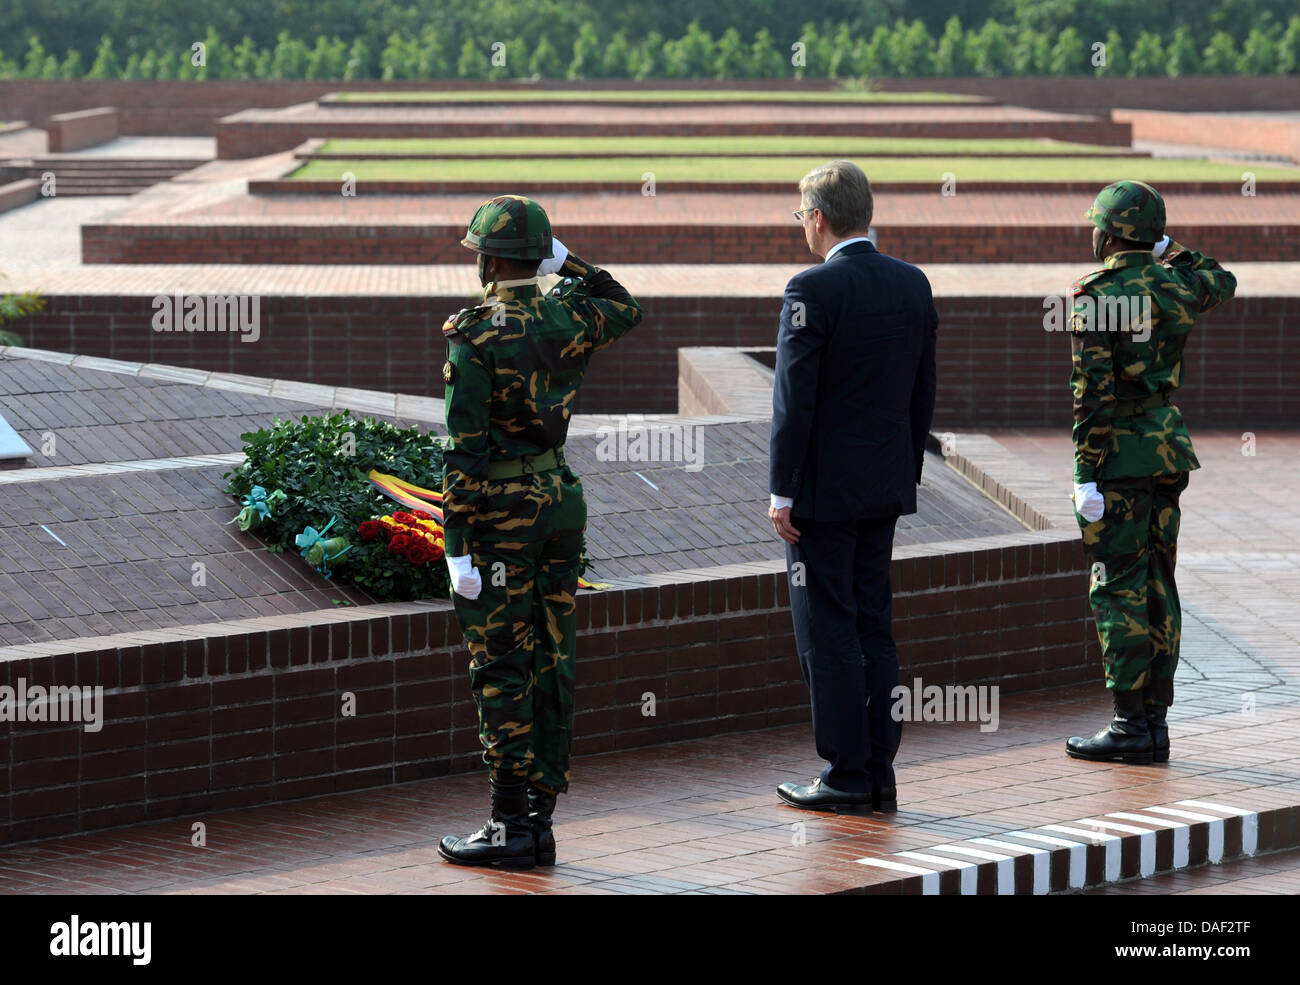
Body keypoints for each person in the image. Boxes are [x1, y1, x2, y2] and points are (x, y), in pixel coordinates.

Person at [437, 195, 642, 868]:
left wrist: (455, 546)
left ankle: (509, 826)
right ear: (538, 257)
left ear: (491, 261)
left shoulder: (476, 335)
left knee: (500, 665)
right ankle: (541, 819)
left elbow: (464, 454)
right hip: (559, 501)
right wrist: (568, 262)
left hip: (500, 512)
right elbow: (625, 302)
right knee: (554, 655)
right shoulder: (568, 312)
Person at [769, 161, 937, 814]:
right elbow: (923, 392)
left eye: (800, 217)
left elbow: (793, 401)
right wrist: (904, 471)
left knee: (828, 630)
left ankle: (845, 774)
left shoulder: (811, 286)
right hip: (883, 488)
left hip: (822, 499)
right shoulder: (911, 283)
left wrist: (783, 489)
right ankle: (878, 770)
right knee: (874, 626)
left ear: (818, 217)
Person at [1065, 180, 1235, 764]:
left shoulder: (1098, 295)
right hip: (1166, 449)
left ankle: (1127, 723)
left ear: (1111, 232)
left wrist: (1085, 474)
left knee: (1117, 586)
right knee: (1159, 580)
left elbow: (1092, 396)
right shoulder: (1178, 284)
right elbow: (1223, 280)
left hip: (1118, 457)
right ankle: (1155, 722)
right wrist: (1170, 248)